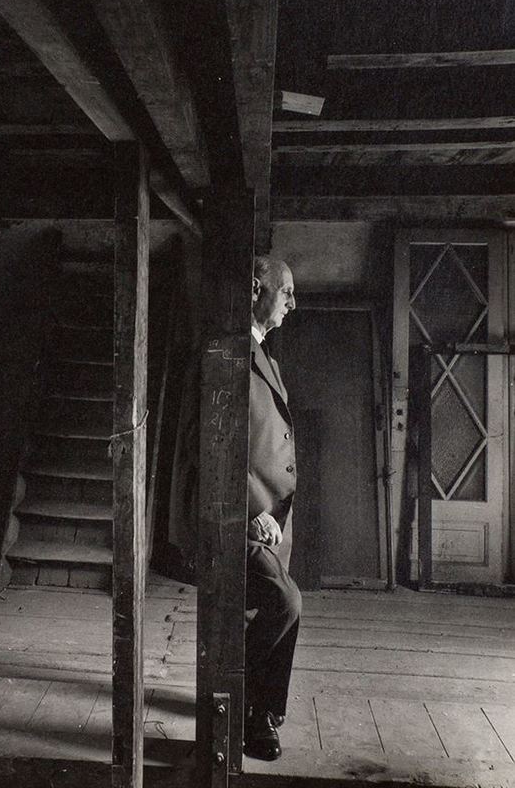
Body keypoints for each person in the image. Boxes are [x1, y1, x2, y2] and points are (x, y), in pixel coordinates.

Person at [244, 255, 301, 761]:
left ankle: (263, 709)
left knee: (290, 604)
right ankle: (244, 704)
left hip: (272, 521)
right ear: (255, 288)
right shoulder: (228, 352)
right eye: (285, 292)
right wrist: (251, 509)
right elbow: (212, 440)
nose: (291, 303)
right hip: (240, 522)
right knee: (285, 603)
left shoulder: (264, 356)